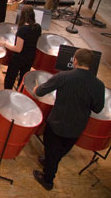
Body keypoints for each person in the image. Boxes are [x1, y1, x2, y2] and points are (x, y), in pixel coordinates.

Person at [33, 48, 105, 191]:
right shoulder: (99, 85)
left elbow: (40, 92)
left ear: (75, 60)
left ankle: (48, 180)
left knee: (52, 149)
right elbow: (97, 109)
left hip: (57, 124)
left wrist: (36, 88)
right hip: (77, 127)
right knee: (59, 151)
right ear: (91, 64)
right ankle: (49, 162)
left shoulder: (64, 76)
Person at [1, 5, 42, 90]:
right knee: (23, 80)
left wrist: (5, 44)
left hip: (19, 58)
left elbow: (18, 49)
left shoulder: (23, 29)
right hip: (30, 57)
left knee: (10, 79)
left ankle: (7, 95)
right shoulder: (38, 27)